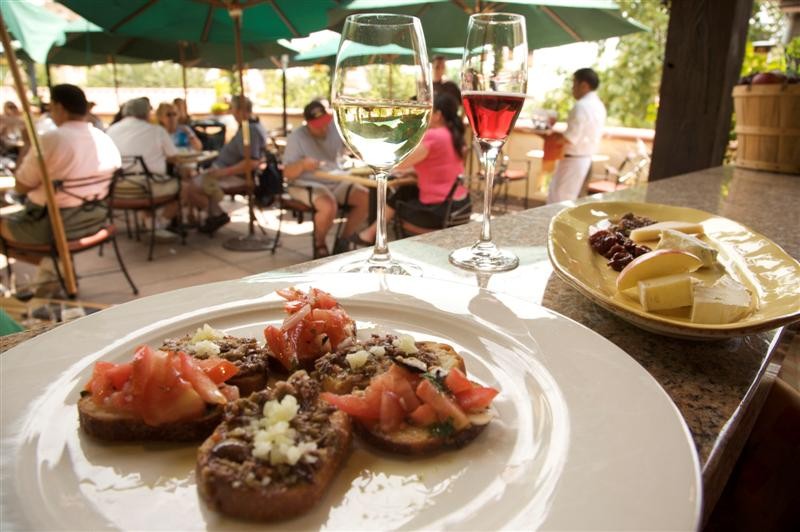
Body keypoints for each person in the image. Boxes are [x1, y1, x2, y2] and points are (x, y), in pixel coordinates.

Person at [0, 84, 121, 294]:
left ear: (59, 107)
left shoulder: (51, 139)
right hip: (96, 219)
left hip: (54, 227)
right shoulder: (104, 138)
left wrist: (28, 146)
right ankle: (55, 270)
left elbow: (21, 186)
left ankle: (52, 270)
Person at [349, 93, 470, 247]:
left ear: (438, 115)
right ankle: (370, 234)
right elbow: (440, 166)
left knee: (398, 201)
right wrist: (413, 172)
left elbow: (399, 162)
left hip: (441, 211)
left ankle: (375, 238)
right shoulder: (452, 134)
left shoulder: (433, 135)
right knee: (405, 192)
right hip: (461, 206)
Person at [282, 100, 369, 257]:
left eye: (325, 123)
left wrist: (357, 148)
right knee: (328, 206)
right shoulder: (296, 137)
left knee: (365, 198)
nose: (323, 128)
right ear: (307, 123)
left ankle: (344, 240)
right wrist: (302, 164)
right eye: (318, 125)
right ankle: (320, 243)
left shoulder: (335, 128)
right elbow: (287, 174)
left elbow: (352, 147)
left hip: (335, 179)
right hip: (305, 183)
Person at [106, 97, 181, 240]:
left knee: (148, 182)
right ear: (147, 113)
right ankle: (159, 224)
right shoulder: (156, 131)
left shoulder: (110, 130)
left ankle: (150, 223)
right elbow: (174, 158)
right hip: (148, 188)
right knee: (183, 187)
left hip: (117, 190)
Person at [198, 95, 267, 234]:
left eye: (233, 109)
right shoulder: (248, 126)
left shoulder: (250, 129)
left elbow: (252, 162)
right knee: (191, 183)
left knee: (191, 187)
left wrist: (222, 172)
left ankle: (217, 214)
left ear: (240, 110)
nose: (231, 112)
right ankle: (214, 214)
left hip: (236, 176)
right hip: (225, 171)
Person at [545, 68, 607, 204]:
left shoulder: (581, 106)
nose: (572, 88)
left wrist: (547, 135)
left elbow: (570, 138)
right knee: (568, 198)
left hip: (573, 161)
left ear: (583, 85)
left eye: (574, 84)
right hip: (584, 159)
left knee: (560, 200)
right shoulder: (599, 106)